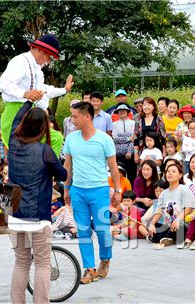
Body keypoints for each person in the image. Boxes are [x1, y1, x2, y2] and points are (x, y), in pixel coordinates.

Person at [6, 100, 67, 303]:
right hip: (38, 217)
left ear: (24, 124)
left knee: (21, 262)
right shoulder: (44, 151)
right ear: (43, 128)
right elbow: (63, 174)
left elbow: (15, 119)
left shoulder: (13, 143)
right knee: (42, 263)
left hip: (14, 216)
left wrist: (30, 100)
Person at [63, 101, 120, 285]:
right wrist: (66, 187)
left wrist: (118, 190)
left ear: (87, 116)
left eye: (75, 116)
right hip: (78, 190)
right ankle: (89, 269)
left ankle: (105, 259)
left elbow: (113, 167)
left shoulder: (104, 139)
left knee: (103, 229)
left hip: (99, 190)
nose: (72, 120)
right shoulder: (71, 139)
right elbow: (68, 166)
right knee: (83, 231)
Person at [0, 33, 74, 151]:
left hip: (30, 114)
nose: (49, 62)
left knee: (56, 138)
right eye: (50, 57)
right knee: (22, 150)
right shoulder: (20, 61)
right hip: (14, 113)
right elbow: (3, 84)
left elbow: (44, 90)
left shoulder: (37, 69)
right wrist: (25, 93)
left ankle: (47, 168)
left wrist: (64, 90)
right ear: (41, 51)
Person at [148, 162, 195, 248]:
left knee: (179, 230)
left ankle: (170, 238)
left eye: (173, 171)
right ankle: (170, 238)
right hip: (169, 225)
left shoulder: (184, 190)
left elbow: (188, 209)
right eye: (168, 171)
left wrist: (177, 220)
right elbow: (159, 210)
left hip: (182, 225)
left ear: (180, 175)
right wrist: (152, 223)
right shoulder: (164, 193)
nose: (170, 173)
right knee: (154, 227)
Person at [134, 97, 166, 162]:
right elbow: (136, 138)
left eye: (149, 105)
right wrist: (136, 154)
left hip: (157, 149)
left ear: (153, 107)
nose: (146, 107)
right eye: (144, 105)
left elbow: (163, 137)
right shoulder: (139, 120)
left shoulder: (158, 119)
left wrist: (164, 152)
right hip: (142, 149)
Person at [112, 104, 136, 181]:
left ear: (127, 112)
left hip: (130, 153)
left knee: (131, 173)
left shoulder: (133, 123)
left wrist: (130, 151)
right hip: (117, 153)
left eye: (124, 111)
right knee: (119, 172)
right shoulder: (114, 124)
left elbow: (134, 138)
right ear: (117, 112)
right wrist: (128, 138)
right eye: (120, 111)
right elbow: (115, 138)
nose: (122, 112)